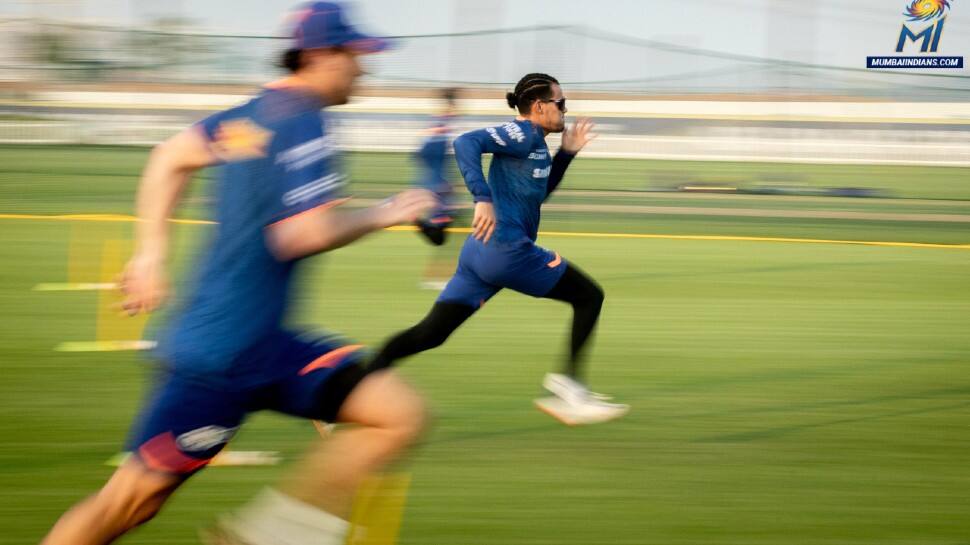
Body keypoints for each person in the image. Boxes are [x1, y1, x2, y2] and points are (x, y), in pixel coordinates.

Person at [39, 3, 437, 545]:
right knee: (128, 505)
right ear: (321, 55)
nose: (364, 67)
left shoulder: (252, 118)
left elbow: (168, 157)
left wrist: (149, 254)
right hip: (222, 362)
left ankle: (269, 537)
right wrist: (386, 211)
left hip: (262, 345)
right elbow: (299, 234)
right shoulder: (304, 120)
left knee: (399, 414)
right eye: (355, 55)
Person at [369, 73, 629, 426]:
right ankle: (568, 387)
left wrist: (566, 155)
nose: (566, 111)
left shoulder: (535, 143)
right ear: (539, 107)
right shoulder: (521, 133)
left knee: (430, 334)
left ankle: (343, 393)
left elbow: (538, 194)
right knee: (589, 297)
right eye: (561, 104)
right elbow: (465, 142)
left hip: (480, 254)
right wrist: (481, 197)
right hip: (507, 252)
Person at [412, 87, 463, 289]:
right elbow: (424, 153)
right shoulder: (439, 128)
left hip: (440, 189)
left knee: (454, 236)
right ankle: (444, 277)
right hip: (439, 190)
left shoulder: (439, 127)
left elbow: (422, 153)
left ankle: (446, 276)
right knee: (444, 238)